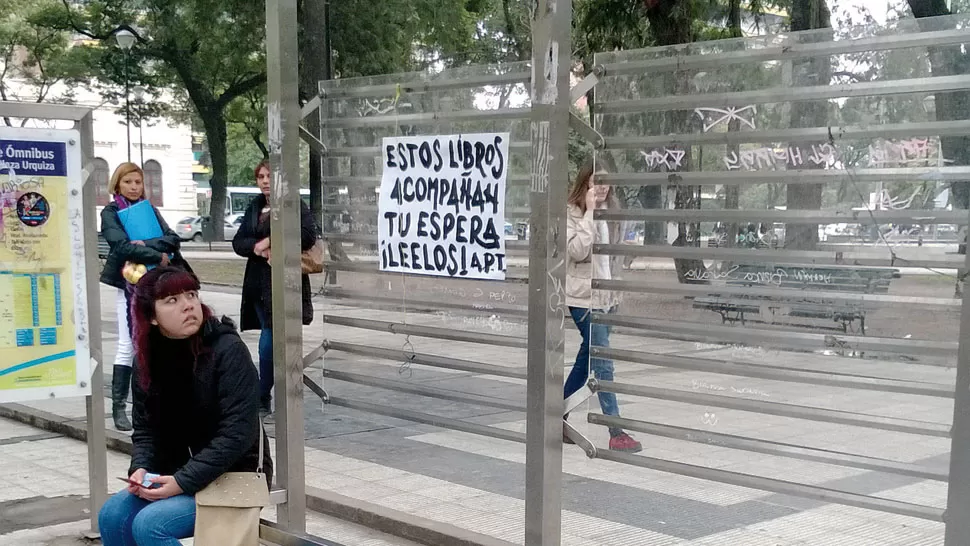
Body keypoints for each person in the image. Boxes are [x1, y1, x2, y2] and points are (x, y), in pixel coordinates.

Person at [97, 267, 272, 546]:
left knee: (150, 525)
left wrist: (181, 482)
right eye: (172, 300)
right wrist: (139, 468)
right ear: (152, 317)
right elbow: (145, 430)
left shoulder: (227, 350)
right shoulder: (146, 360)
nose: (188, 305)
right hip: (176, 473)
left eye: (191, 294)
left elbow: (237, 434)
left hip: (234, 475)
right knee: (113, 515)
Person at [100, 162, 188, 431]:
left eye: (138, 182)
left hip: (157, 283)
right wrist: (157, 255)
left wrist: (147, 245)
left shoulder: (150, 210)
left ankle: (153, 403)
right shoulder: (111, 212)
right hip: (128, 285)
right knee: (128, 344)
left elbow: (172, 239)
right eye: (129, 182)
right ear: (118, 184)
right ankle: (118, 406)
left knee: (157, 340)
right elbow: (121, 245)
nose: (135, 187)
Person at [563, 161, 642, 453]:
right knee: (604, 362)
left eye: (606, 182)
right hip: (582, 299)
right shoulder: (571, 213)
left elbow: (613, 258)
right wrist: (590, 212)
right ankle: (615, 431)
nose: (603, 187)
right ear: (585, 182)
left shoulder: (612, 213)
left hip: (606, 299)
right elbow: (576, 251)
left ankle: (556, 415)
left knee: (587, 361)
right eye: (597, 181)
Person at [232, 159, 317, 415]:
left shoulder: (293, 205)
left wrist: (271, 239)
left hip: (284, 282)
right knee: (270, 338)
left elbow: (307, 235)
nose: (265, 181)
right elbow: (239, 242)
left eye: (270, 176)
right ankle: (266, 394)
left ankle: (262, 393)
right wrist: (258, 248)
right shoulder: (255, 206)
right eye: (260, 177)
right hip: (258, 285)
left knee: (271, 340)